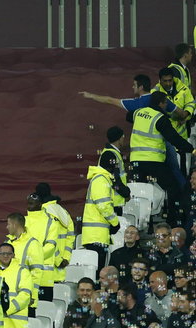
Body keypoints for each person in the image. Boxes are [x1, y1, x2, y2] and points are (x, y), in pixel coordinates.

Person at [130, 92, 194, 225]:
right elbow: (174, 138)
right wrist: (192, 149)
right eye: (166, 103)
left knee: (138, 193)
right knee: (173, 187)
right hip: (153, 161)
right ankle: (172, 220)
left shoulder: (137, 113)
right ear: (161, 103)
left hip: (135, 161)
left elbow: (127, 116)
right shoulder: (160, 118)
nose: (167, 105)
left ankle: (140, 223)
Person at [0, 243, 33, 328]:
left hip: (16, 327)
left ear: (13, 255)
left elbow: (25, 296)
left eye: (8, 253)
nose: (5, 256)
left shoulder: (22, 271)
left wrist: (6, 309)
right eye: (2, 253)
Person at [81, 163, 121, 270]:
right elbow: (103, 205)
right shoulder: (101, 180)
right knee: (97, 272)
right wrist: (115, 222)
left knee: (97, 271)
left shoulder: (101, 179)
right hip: (96, 236)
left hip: (96, 235)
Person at [36, 182, 75, 283]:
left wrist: (58, 260)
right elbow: (70, 237)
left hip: (45, 272)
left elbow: (50, 242)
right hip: (60, 271)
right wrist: (65, 258)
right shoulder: (64, 212)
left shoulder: (42, 213)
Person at [5, 212, 43, 314]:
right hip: (7, 298)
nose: (6, 227)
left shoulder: (33, 244)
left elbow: (36, 273)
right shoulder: (8, 243)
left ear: (14, 225)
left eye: (8, 224)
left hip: (26, 301)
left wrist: (32, 296)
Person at [26, 193, 57, 304]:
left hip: (45, 278)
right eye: (28, 202)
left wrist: (33, 257)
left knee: (44, 311)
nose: (29, 204)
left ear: (40, 204)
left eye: (32, 202)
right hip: (26, 276)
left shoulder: (50, 222)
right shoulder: (22, 221)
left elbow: (51, 246)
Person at [97, 127, 130, 211]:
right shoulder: (110, 154)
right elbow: (113, 178)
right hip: (111, 203)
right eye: (123, 137)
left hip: (113, 201)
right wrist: (125, 192)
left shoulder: (111, 153)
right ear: (119, 139)